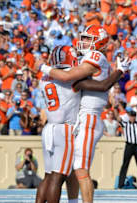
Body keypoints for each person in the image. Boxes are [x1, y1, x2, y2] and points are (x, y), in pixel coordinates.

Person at [37, 25, 127, 202]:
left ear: (99, 42)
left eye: (87, 38)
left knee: (78, 168)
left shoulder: (96, 56)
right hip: (77, 119)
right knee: (70, 168)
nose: (83, 41)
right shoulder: (84, 61)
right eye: (83, 37)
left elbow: (70, 77)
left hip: (87, 118)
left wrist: (44, 67)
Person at [113, 110, 137, 189]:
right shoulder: (126, 124)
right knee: (125, 165)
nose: (132, 118)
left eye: (133, 116)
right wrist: (115, 109)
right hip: (129, 145)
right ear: (129, 117)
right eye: (131, 116)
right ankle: (120, 184)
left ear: (135, 117)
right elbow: (118, 119)